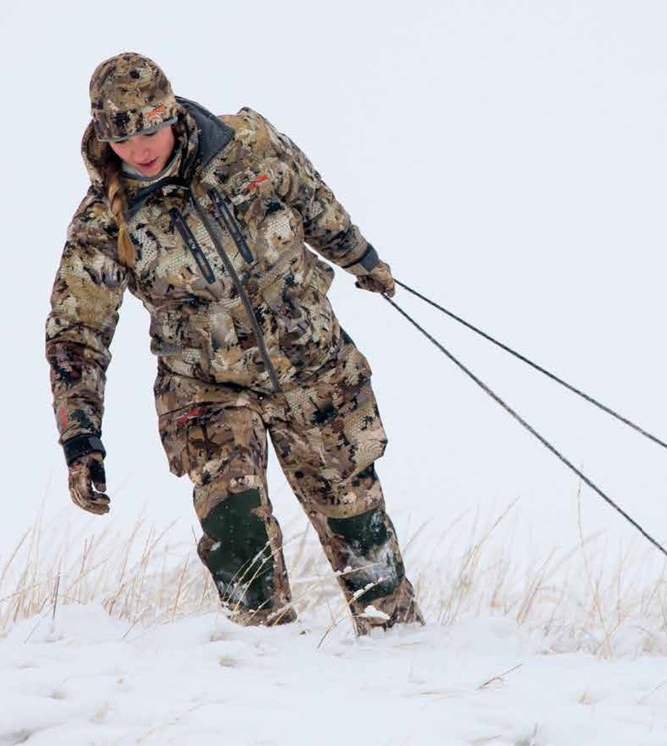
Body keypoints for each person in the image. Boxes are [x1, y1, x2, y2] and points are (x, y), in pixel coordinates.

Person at [46, 52, 422, 633]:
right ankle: (262, 664)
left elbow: (313, 201)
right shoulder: (102, 224)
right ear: (103, 137)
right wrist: (80, 438)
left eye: (150, 130)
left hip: (312, 367)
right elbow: (77, 335)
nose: (140, 149)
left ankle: (401, 652)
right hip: (206, 390)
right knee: (236, 531)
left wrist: (362, 260)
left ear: (171, 114)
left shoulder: (248, 145)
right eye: (123, 139)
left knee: (359, 525)